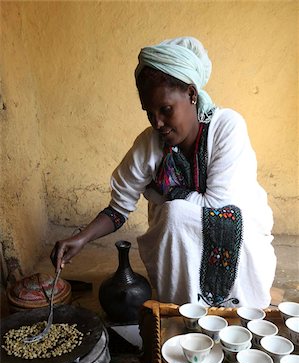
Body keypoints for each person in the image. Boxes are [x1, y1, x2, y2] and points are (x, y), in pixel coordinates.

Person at [51, 36, 276, 308]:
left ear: (192, 95)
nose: (157, 122)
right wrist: (81, 238)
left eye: (166, 110)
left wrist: (164, 196)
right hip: (180, 242)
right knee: (174, 217)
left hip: (240, 240)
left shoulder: (227, 127)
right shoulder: (151, 143)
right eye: (149, 113)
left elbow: (219, 207)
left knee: (175, 214)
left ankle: (224, 310)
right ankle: (181, 314)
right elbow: (120, 207)